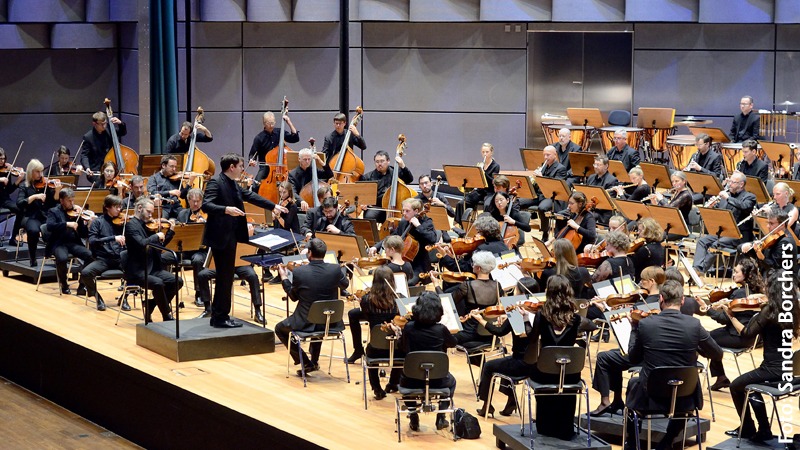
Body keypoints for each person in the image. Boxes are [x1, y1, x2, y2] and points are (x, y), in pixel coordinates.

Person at [622, 280, 723, 450]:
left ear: (661, 298)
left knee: (633, 384)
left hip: (651, 395)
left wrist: (633, 328)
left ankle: (633, 444)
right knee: (684, 391)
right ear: (682, 300)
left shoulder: (646, 324)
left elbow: (633, 358)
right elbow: (717, 354)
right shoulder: (694, 325)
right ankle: (667, 442)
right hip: (685, 396)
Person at [202, 153, 287, 328]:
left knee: (225, 277)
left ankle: (219, 315)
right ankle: (220, 316)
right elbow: (206, 205)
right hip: (221, 237)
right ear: (231, 167)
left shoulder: (232, 183)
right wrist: (226, 209)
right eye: (241, 166)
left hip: (231, 236)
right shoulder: (216, 182)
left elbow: (250, 196)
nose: (243, 169)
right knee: (224, 277)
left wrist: (274, 206)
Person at [724, 271, 800, 443]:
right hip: (789, 368)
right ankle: (762, 429)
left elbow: (746, 334)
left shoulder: (769, 310)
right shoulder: (792, 307)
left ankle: (750, 427)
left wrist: (730, 316)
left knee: (736, 386)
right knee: (750, 385)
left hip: (772, 369)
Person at [276, 238, 349, 373]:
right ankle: (314, 361)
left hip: (306, 321)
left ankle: (306, 361)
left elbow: (293, 297)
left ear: (309, 253)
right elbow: (345, 285)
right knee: (321, 315)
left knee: (280, 329)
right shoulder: (335, 269)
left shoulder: (299, 272)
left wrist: (284, 278)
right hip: (330, 321)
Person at [527, 275, 584, 440]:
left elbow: (532, 340)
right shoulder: (576, 318)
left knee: (533, 367)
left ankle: (546, 425)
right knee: (565, 380)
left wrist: (525, 320)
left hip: (546, 372)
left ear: (548, 292)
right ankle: (564, 426)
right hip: (570, 373)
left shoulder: (541, 315)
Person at [396, 291, 457, 431]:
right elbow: (453, 343)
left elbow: (403, 347)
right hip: (438, 379)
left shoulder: (409, 327)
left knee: (403, 378)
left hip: (411, 379)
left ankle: (413, 416)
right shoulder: (441, 329)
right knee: (452, 382)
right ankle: (441, 417)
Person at [700, 258, 765, 391]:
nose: (733, 274)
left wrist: (708, 309)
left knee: (704, 339)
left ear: (746, 275)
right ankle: (721, 377)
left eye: (736, 272)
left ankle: (713, 373)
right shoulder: (757, 291)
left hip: (739, 337)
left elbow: (724, 318)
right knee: (710, 338)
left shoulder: (739, 293)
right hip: (753, 338)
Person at [346, 235, 413, 363]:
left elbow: (372, 281)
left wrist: (358, 268)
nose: (384, 252)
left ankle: (358, 349)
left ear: (392, 249)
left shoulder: (386, 269)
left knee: (354, 314)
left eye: (386, 249)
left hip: (378, 304)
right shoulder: (408, 267)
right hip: (396, 307)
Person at [473, 284, 535, 418]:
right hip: (539, 364)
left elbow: (499, 331)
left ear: (521, 293)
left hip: (521, 363)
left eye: (516, 290)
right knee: (506, 361)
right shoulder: (541, 312)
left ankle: (486, 405)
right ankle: (511, 401)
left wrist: (481, 320)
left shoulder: (517, 312)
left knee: (490, 366)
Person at [123, 197, 181, 322]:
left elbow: (159, 248)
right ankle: (167, 315)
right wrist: (156, 236)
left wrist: (170, 232)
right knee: (158, 283)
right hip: (138, 271)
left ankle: (151, 304)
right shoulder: (131, 226)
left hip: (152, 268)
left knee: (177, 281)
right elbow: (141, 244)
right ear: (139, 208)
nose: (151, 215)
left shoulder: (148, 225)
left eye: (152, 212)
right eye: (148, 212)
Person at [692, 170, 755, 276]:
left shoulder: (749, 197)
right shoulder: (726, 196)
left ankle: (700, 271)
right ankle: (696, 268)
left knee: (716, 244)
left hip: (739, 235)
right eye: (730, 181)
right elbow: (719, 214)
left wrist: (728, 198)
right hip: (724, 232)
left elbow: (744, 207)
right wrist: (711, 208)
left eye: (733, 182)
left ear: (741, 184)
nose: (730, 184)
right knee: (702, 241)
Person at [433, 251, 499, 349]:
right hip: (489, 333)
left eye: (473, 264)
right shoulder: (498, 286)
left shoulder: (468, 286)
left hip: (469, 333)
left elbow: (447, 302)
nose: (472, 266)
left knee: (437, 336)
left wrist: (436, 284)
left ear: (478, 268)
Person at [359, 266, 404, 399]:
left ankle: (377, 388)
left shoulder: (367, 300)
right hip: (397, 347)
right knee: (400, 348)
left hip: (377, 346)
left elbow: (367, 317)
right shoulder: (399, 299)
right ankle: (393, 383)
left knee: (370, 353)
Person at [369, 198, 436, 285]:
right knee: (374, 273)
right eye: (403, 210)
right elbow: (392, 237)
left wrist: (418, 226)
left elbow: (433, 239)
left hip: (417, 265)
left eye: (407, 211)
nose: (404, 213)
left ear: (416, 211)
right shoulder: (404, 222)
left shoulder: (427, 223)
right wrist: (376, 246)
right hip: (399, 262)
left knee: (408, 283)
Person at [82, 194, 128, 311]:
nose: (119, 209)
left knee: (137, 270)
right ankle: (97, 297)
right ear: (107, 207)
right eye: (116, 207)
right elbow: (92, 241)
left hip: (120, 257)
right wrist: (113, 238)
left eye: (120, 207)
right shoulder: (98, 222)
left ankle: (124, 298)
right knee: (86, 273)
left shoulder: (122, 222)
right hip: (103, 259)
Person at [45, 188, 93, 295]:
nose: (72, 203)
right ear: (62, 200)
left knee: (90, 255)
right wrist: (67, 224)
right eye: (69, 201)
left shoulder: (76, 212)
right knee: (62, 258)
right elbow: (50, 226)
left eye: (73, 200)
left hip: (73, 243)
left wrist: (85, 222)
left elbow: (83, 234)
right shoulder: (53, 211)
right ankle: (64, 284)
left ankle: (82, 284)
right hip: (58, 243)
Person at [19, 159, 62, 267]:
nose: (41, 174)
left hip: (46, 215)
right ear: (31, 172)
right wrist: (34, 197)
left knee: (57, 227)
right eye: (38, 172)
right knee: (33, 231)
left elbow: (54, 201)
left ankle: (52, 254)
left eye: (42, 171)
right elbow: (20, 203)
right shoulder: (24, 186)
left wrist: (57, 191)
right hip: (31, 216)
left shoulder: (46, 185)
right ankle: (32, 258)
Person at [739, 208, 798, 280]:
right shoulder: (774, 237)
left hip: (780, 283)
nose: (768, 226)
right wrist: (751, 247)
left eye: (771, 223)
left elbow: (774, 268)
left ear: (782, 225)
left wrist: (760, 254)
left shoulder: (786, 242)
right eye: (768, 223)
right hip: (770, 278)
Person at [362, 150, 413, 224]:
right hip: (377, 207)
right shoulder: (368, 177)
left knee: (405, 220)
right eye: (377, 162)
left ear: (388, 161)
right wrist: (364, 202)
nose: (379, 164)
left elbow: (409, 179)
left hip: (395, 207)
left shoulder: (395, 172)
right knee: (369, 217)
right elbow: (363, 195)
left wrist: (403, 166)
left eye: (382, 161)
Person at [248, 110, 300, 183]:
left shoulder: (280, 132)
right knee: (256, 186)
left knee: (295, 182)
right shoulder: (259, 138)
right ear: (264, 123)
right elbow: (252, 154)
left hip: (282, 167)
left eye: (273, 123)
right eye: (269, 123)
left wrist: (289, 122)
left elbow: (295, 139)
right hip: (266, 167)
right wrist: (251, 160)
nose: (271, 125)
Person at [532, 145, 569, 241]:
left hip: (551, 197)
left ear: (555, 155)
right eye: (544, 155)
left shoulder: (561, 169)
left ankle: (545, 232)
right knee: (519, 201)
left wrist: (541, 177)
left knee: (542, 208)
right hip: (540, 194)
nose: (545, 157)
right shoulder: (544, 166)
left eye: (548, 155)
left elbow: (555, 186)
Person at [80, 111, 127, 182]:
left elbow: (122, 132)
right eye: (102, 124)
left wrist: (120, 123)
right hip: (97, 170)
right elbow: (84, 155)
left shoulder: (109, 129)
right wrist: (87, 168)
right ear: (94, 124)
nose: (104, 126)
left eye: (105, 123)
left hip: (112, 168)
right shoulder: (88, 137)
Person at [287, 147, 333, 212]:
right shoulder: (292, 174)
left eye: (309, 159)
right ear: (299, 159)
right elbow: (293, 192)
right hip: (301, 205)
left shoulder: (313, 170)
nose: (307, 161)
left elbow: (329, 175)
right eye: (305, 159)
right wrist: (301, 201)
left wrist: (321, 161)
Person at [460, 143, 500, 217]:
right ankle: (463, 223)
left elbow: (493, 181)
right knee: (463, 202)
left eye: (487, 152)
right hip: (479, 191)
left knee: (487, 205)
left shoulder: (495, 166)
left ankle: (485, 225)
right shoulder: (480, 164)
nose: (485, 154)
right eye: (483, 152)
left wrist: (483, 173)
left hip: (490, 192)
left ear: (491, 152)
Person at [147, 155, 193, 219]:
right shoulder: (154, 178)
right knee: (162, 220)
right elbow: (152, 193)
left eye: (175, 167)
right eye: (171, 166)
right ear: (163, 165)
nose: (174, 169)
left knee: (187, 216)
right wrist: (169, 192)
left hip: (176, 207)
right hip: (163, 207)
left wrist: (189, 184)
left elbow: (182, 195)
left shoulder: (176, 178)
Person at [685, 133, 723, 203]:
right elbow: (690, 173)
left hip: (707, 191)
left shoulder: (716, 157)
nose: (698, 147)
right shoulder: (695, 155)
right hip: (694, 187)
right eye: (696, 145)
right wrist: (686, 171)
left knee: (688, 200)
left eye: (700, 145)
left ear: (707, 144)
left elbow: (716, 175)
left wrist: (700, 169)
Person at [0, 147, 24, 246]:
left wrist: (18, 180)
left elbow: (9, 190)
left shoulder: (7, 170)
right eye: (0, 159)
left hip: (4, 199)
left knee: (21, 209)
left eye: (3, 159)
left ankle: (13, 237)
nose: (2, 161)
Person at [630, 217, 665, 282]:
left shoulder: (645, 249)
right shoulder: (660, 246)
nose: (638, 232)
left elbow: (632, 264)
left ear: (648, 232)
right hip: (654, 280)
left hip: (641, 281)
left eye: (640, 230)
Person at [586, 156, 618, 225]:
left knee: (585, 217)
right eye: (595, 164)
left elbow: (608, 202)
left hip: (602, 214)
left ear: (606, 166)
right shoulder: (591, 177)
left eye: (598, 165)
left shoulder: (612, 180)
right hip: (591, 209)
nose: (596, 167)